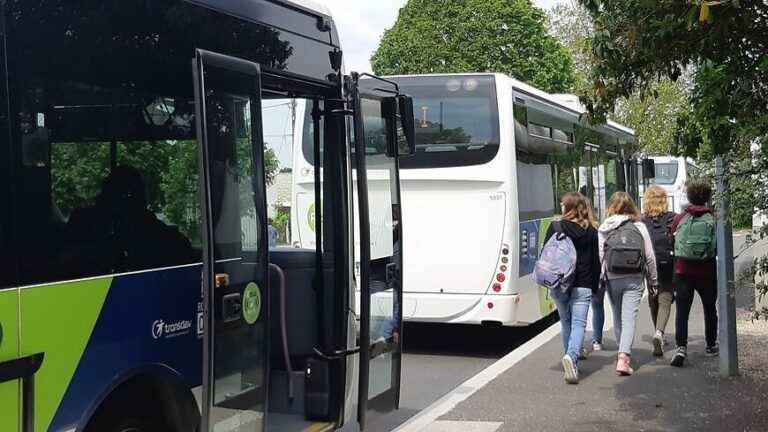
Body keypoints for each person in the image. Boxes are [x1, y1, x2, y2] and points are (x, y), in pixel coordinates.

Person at [542, 192, 600, 384]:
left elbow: (545, 255)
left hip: (559, 284)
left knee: (566, 322)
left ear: (567, 207)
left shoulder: (555, 226)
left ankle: (570, 355)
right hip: (582, 283)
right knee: (579, 324)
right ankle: (571, 357)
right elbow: (595, 262)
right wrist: (595, 286)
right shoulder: (591, 230)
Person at [599, 192, 658, 376]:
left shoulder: (604, 227)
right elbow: (649, 257)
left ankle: (621, 353)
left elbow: (600, 256)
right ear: (632, 207)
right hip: (634, 277)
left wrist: (601, 277)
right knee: (629, 317)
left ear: (611, 207)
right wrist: (653, 281)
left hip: (613, 277)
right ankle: (624, 357)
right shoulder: (639, 226)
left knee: (617, 316)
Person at [670, 179, 718, 367]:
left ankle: (681, 347)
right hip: (706, 271)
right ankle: (711, 345)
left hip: (683, 271)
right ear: (707, 198)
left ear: (689, 197)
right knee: (709, 308)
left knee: (682, 311)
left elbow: (671, 240)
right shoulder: (712, 219)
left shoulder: (679, 218)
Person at [642, 185, 677, 357]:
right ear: (665, 200)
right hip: (668, 263)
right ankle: (659, 333)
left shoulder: (642, 222)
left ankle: (658, 332)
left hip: (649, 265)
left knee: (653, 297)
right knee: (665, 298)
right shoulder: (673, 218)